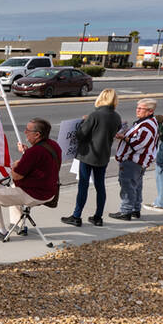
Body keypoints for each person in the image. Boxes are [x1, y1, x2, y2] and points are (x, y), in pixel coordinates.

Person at [0, 117, 62, 239]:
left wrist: (16, 165)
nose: (25, 132)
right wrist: (27, 153)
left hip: (35, 194)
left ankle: (0, 231)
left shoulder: (34, 152)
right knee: (13, 188)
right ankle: (18, 225)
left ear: (37, 134)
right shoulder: (53, 145)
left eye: (27, 130)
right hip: (50, 191)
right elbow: (41, 160)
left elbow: (16, 175)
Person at [62, 89, 122, 227]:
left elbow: (81, 135)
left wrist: (84, 122)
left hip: (87, 155)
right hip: (104, 155)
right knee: (100, 186)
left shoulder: (95, 115)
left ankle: (76, 216)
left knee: (83, 185)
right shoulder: (116, 116)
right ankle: (98, 217)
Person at [108, 98, 159, 220]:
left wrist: (123, 137)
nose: (137, 110)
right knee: (136, 185)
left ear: (150, 111)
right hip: (138, 161)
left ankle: (126, 211)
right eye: (138, 108)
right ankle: (135, 209)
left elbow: (138, 144)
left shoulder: (147, 125)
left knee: (127, 185)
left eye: (141, 108)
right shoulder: (146, 122)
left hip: (133, 161)